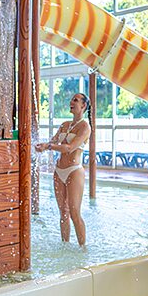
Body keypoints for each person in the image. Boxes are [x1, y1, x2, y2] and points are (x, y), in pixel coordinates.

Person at [36, 91, 91, 246]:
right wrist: (43, 146)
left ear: (83, 105)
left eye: (75, 100)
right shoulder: (64, 125)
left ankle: (82, 249)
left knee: (74, 212)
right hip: (59, 171)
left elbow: (69, 148)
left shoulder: (85, 127)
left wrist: (49, 146)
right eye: (71, 100)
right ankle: (65, 246)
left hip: (74, 171)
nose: (71, 102)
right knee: (63, 213)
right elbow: (53, 141)